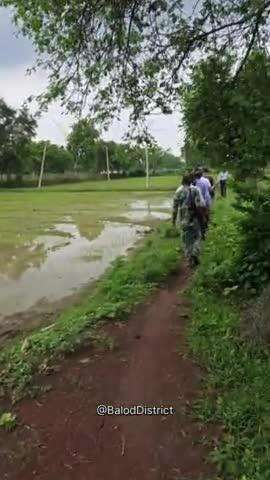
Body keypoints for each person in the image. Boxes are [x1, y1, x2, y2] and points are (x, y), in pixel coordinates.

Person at [172, 173, 206, 268]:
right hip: (195, 219)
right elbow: (201, 205)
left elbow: (175, 209)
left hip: (183, 221)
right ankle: (195, 252)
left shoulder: (178, 191)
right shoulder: (196, 190)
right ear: (191, 181)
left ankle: (190, 259)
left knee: (186, 241)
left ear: (182, 181)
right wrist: (203, 217)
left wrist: (173, 221)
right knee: (197, 237)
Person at [194, 168, 212, 238]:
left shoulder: (195, 182)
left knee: (199, 217)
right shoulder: (206, 180)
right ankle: (205, 228)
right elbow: (210, 189)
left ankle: (199, 231)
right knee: (206, 214)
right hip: (206, 200)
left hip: (199, 202)